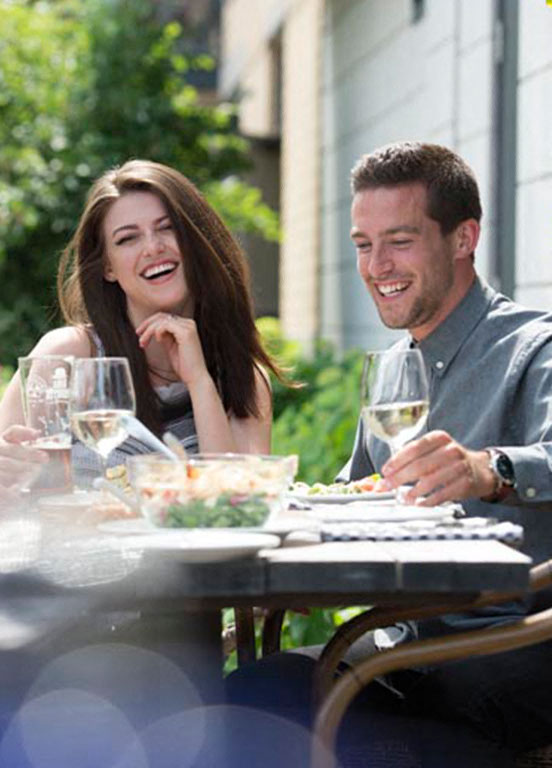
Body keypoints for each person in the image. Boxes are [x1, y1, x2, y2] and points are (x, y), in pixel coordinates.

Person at [227, 141, 552, 766]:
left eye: (399, 241)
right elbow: (358, 500)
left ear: (463, 239)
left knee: (340, 736)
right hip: (403, 646)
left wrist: (492, 469)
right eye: (362, 244)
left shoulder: (534, 348)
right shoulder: (394, 370)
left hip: (513, 646)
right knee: (246, 698)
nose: (377, 265)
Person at [0, 160, 280, 487]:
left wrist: (199, 381)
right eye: (128, 239)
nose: (153, 247)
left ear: (196, 241)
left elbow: (233, 502)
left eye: (167, 228)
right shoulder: (66, 356)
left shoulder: (243, 378)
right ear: (108, 268)